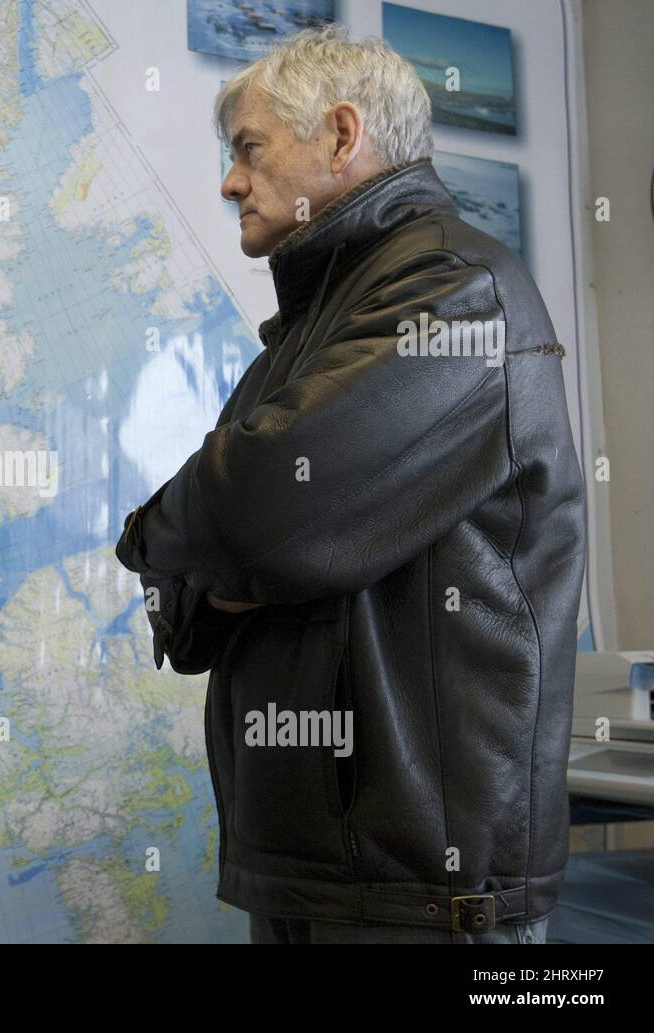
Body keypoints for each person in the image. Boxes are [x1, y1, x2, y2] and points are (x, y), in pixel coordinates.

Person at [115, 25, 586, 944]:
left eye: (247, 149)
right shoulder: (321, 317)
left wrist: (168, 540)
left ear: (340, 136)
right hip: (321, 875)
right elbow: (216, 572)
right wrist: (226, 564)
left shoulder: (457, 291)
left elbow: (254, 508)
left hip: (420, 892)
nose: (228, 181)